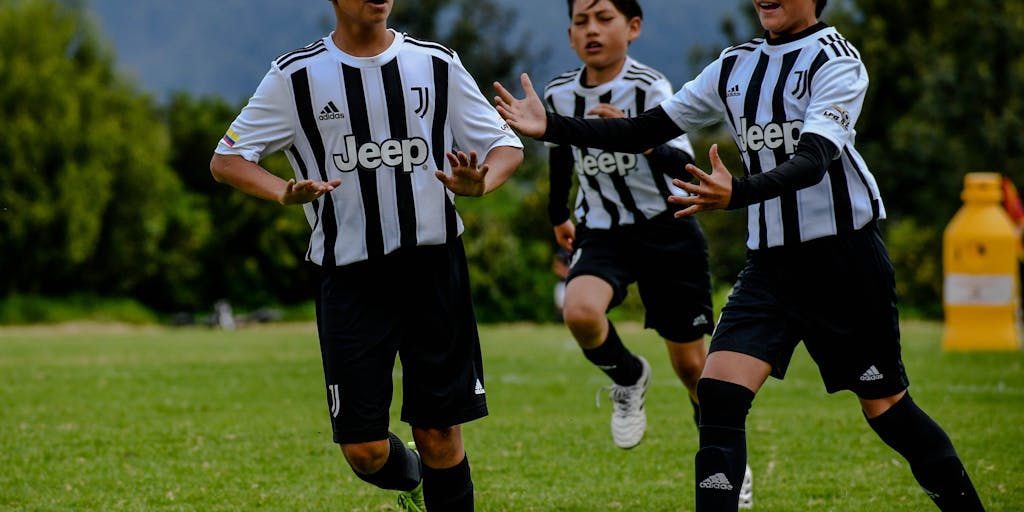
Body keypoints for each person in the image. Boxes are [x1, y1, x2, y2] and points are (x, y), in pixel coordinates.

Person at [493, 0, 986, 510]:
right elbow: (642, 131)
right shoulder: (734, 65)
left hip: (844, 263)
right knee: (719, 393)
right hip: (770, 267)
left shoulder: (836, 60)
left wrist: (740, 193)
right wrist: (551, 126)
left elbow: (814, 160)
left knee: (887, 410)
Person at [210, 1, 523, 510]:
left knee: (441, 432)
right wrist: (281, 192)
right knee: (364, 450)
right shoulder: (296, 77)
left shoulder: (436, 63)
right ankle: (415, 484)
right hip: (350, 277)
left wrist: (481, 182)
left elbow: (504, 146)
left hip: (434, 267)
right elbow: (226, 160)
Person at [544, 1, 753, 507]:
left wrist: (638, 137)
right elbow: (557, 151)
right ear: (570, 34)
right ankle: (629, 376)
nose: (592, 29)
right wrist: (557, 214)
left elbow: (682, 163)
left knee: (691, 366)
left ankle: (728, 462)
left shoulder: (651, 89)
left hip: (668, 233)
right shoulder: (558, 93)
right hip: (602, 232)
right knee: (579, 311)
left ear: (633, 28)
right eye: (581, 21)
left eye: (604, 18)